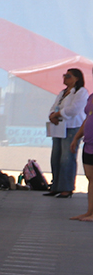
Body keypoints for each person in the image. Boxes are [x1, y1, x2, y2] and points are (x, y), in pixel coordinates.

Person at [46, 67, 88, 198]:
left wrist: (58, 114)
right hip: (59, 127)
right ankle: (56, 186)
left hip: (72, 127)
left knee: (67, 158)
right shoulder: (63, 92)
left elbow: (73, 110)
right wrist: (52, 115)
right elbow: (54, 106)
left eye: (68, 76)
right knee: (56, 157)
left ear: (77, 78)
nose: (65, 78)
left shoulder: (81, 92)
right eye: (64, 75)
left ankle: (67, 188)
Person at [68, 87, 93, 220]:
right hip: (89, 143)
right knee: (90, 177)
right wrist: (76, 137)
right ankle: (89, 211)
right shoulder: (91, 97)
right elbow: (87, 119)